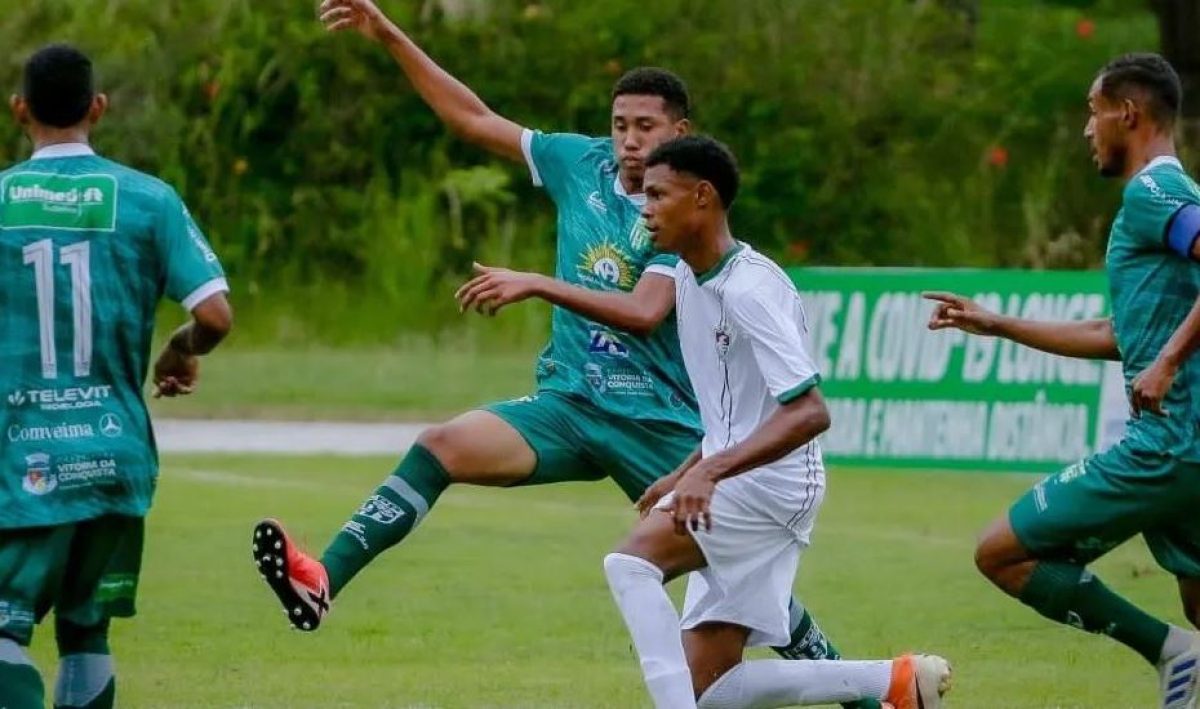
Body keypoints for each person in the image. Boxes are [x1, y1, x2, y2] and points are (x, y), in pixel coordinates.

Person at [252, 2, 873, 699]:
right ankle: (323, 579)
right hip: (570, 403)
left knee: (734, 580)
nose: (630, 141)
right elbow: (474, 119)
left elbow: (645, 313)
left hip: (657, 423)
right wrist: (390, 34)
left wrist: (536, 284)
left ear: (679, 132)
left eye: (646, 127)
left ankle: (858, 683)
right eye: (620, 126)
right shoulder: (578, 163)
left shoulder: (675, 215)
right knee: (442, 445)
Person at [596, 134, 951, 709]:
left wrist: (710, 475)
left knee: (631, 565)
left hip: (770, 486)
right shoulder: (688, 279)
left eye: (659, 195)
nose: (646, 207)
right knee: (712, 691)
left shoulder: (751, 288)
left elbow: (810, 411)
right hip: (749, 481)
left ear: (703, 197)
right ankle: (894, 681)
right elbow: (732, 412)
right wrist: (686, 470)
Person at [925, 52, 1200, 708]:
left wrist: (1166, 363)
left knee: (1001, 552)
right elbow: (1119, 333)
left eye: (1092, 111)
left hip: (1166, 445)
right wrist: (999, 324)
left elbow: (1153, 348)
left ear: (1127, 114)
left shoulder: (1154, 190)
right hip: (1188, 449)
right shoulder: (1159, 202)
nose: (1087, 129)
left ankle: (1171, 652)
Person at [0, 44, 232, 709]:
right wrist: (181, 348)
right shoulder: (149, 200)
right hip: (113, 453)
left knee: (5, 629)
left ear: (20, 111)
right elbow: (216, 314)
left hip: (23, 458)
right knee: (86, 630)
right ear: (97, 109)